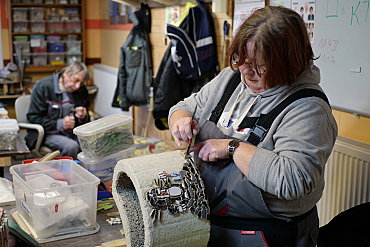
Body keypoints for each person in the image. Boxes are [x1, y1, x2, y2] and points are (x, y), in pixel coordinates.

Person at [169, 6, 338, 247]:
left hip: (267, 236)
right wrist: (181, 121)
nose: (246, 71)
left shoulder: (308, 108)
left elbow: (293, 179)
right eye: (242, 60)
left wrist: (232, 148)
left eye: (259, 65)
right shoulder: (230, 79)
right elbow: (183, 106)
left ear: (287, 63)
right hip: (211, 228)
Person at [26, 61, 91, 160]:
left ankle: (81, 174)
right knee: (72, 147)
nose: (77, 86)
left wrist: (83, 117)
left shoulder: (81, 90)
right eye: (75, 80)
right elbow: (33, 118)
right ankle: (62, 173)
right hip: (48, 134)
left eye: (81, 83)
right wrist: (60, 124)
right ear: (66, 73)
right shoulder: (43, 87)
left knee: (92, 146)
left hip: (72, 133)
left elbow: (85, 120)